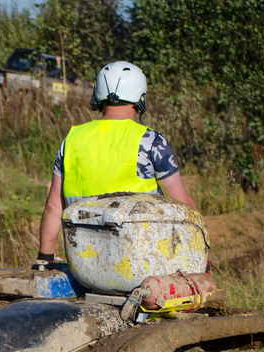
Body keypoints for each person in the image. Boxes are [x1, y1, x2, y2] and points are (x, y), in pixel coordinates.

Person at [37, 61, 197, 262]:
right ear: (141, 99)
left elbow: (53, 206)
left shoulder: (71, 140)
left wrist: (44, 259)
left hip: (84, 265)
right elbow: (183, 205)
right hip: (140, 263)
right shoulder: (151, 141)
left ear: (97, 96)